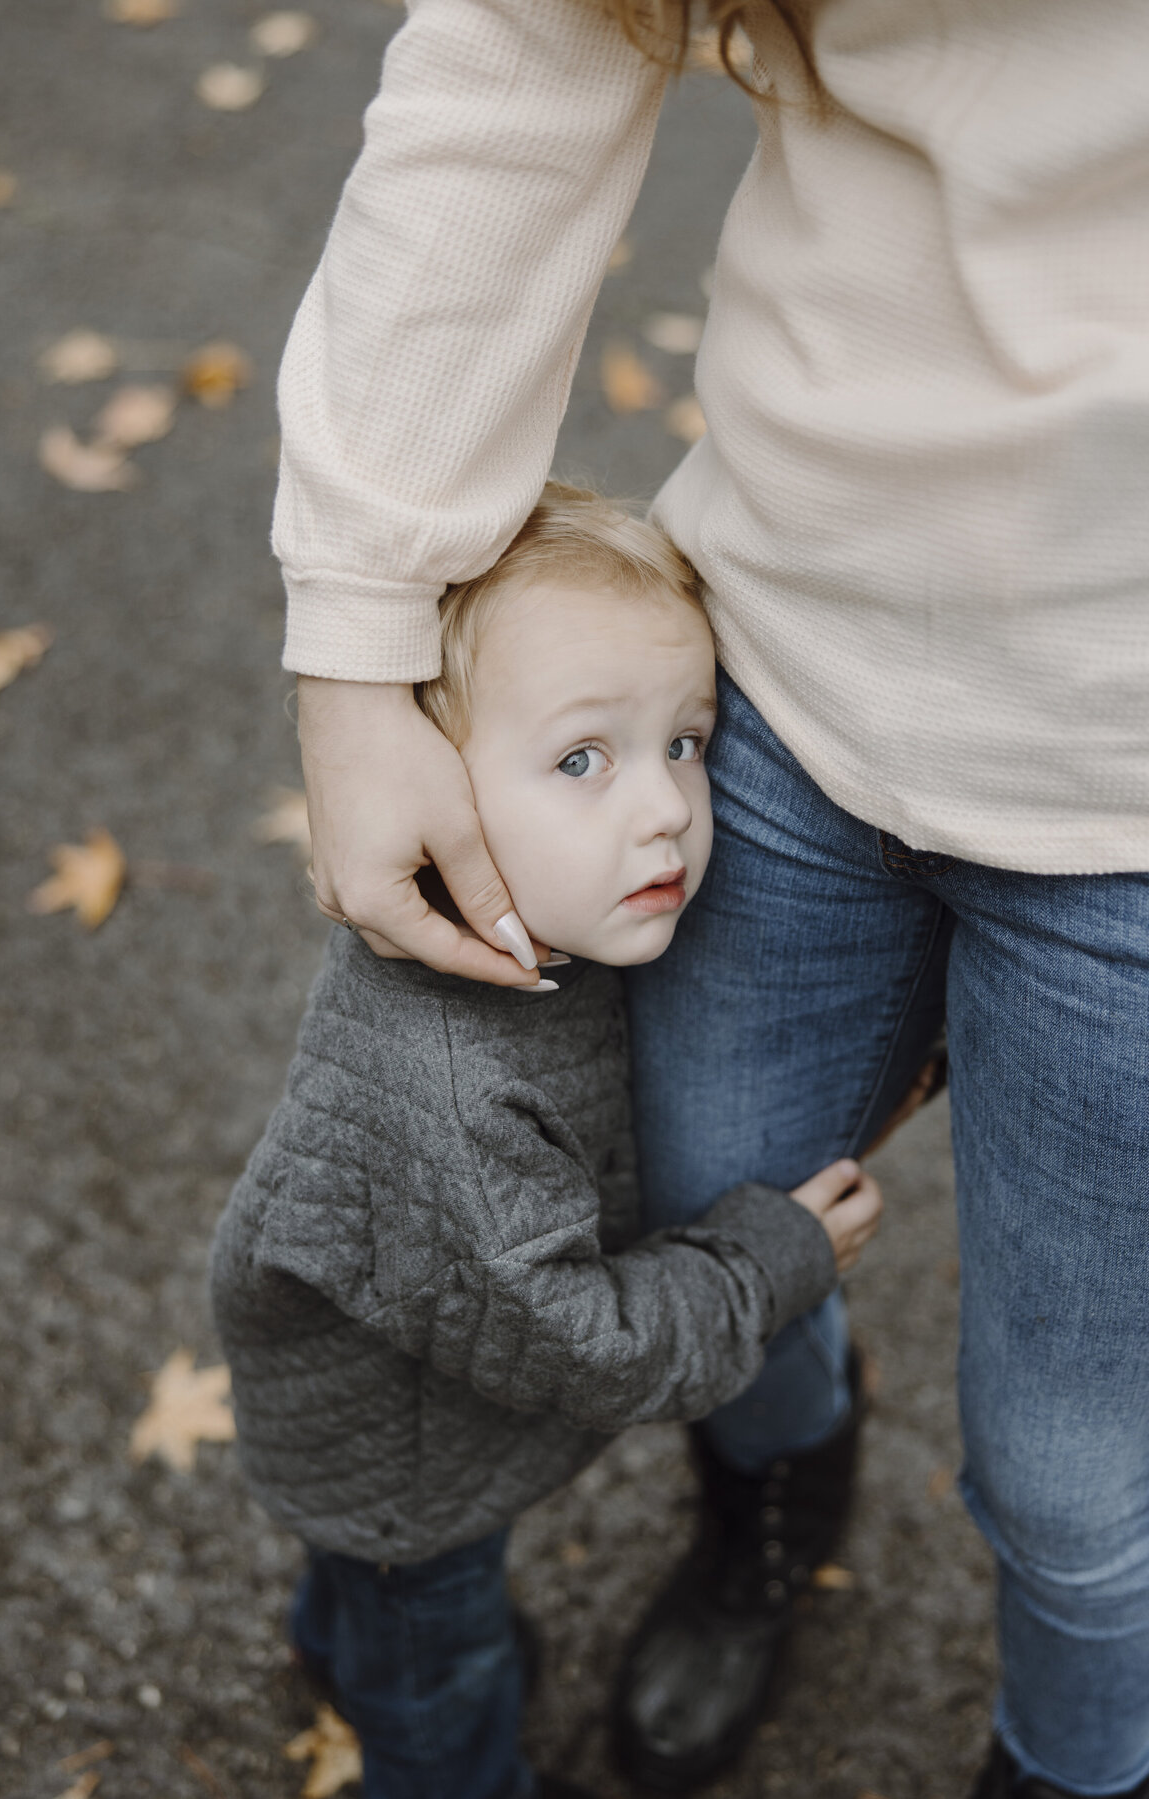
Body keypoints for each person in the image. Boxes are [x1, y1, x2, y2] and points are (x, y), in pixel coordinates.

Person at [271, 3, 1149, 1793]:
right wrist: (361, 639)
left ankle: (1077, 1761)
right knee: (705, 1200)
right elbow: (527, 44)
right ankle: (778, 1484)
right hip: (784, 656)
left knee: (1074, 1464)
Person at [209, 485, 884, 1799]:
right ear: (434, 790)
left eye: (685, 744)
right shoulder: (457, 1093)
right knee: (440, 1688)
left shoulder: (533, 924)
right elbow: (585, 1341)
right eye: (584, 759)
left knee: (375, 1609)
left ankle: (332, 1638)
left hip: (361, 1408)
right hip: (409, 1481)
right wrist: (769, 1258)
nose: (667, 814)